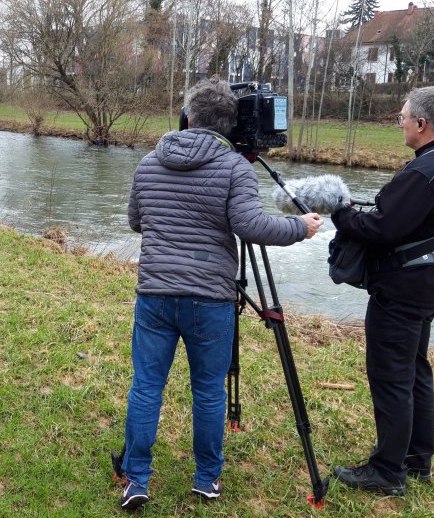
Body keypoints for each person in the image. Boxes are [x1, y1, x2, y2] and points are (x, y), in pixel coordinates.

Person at [119, 78, 323, 510]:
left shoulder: (149, 162)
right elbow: (252, 226)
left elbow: (136, 221)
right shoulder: (234, 167)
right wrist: (300, 228)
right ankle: (207, 478)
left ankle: (136, 479)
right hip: (208, 299)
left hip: (154, 292)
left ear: (187, 118)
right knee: (209, 390)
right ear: (230, 127)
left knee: (146, 387)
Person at [331, 86, 434, 496]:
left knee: (392, 377)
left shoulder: (423, 171)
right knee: (415, 372)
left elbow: (379, 228)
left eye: (402, 117)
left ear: (422, 123)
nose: (399, 123)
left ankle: (386, 472)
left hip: (401, 290)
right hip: (431, 286)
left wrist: (339, 210)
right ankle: (416, 461)